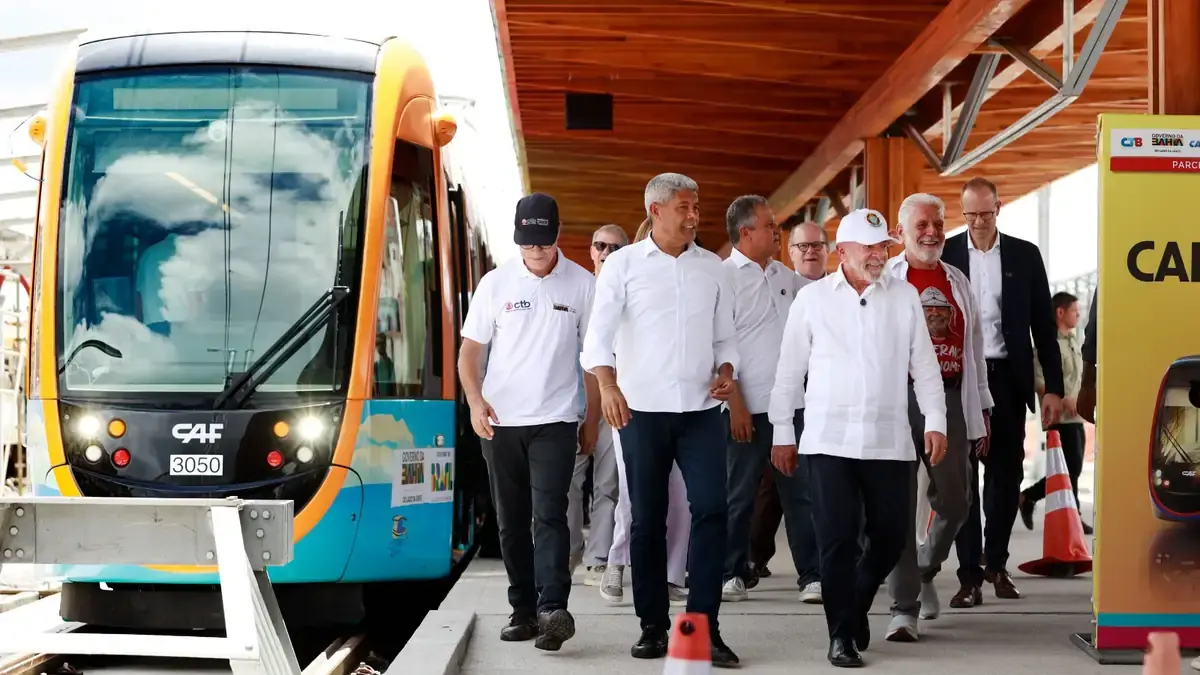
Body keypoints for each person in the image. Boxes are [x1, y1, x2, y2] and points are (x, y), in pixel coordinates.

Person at [769, 207, 947, 668]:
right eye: (868, 248)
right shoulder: (812, 301)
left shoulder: (905, 295)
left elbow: (925, 365)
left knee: (889, 538)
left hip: (889, 441)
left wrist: (936, 420)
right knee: (836, 542)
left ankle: (855, 602)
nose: (878, 255)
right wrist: (783, 432)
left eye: (883, 247)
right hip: (829, 443)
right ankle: (840, 636)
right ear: (842, 251)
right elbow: (789, 372)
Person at [581, 173, 740, 666]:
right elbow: (597, 340)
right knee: (646, 518)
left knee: (713, 510)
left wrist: (728, 374)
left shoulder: (713, 267)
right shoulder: (623, 266)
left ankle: (699, 627)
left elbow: (726, 342)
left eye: (696, 207)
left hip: (701, 412)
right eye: (684, 207)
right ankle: (652, 626)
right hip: (640, 412)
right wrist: (608, 386)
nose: (694, 215)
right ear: (655, 210)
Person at [457, 193, 599, 652]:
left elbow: (596, 360)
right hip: (500, 423)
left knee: (550, 515)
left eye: (542, 240)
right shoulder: (495, 284)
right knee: (511, 522)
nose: (535, 250)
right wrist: (476, 402)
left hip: (556, 420)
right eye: (527, 242)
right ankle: (522, 610)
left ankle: (553, 608)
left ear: (557, 235)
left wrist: (591, 419)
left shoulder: (582, 284)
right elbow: (470, 353)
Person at [940, 177, 1064, 606]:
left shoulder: (1025, 255)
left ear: (999, 208)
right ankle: (969, 574)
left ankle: (997, 564)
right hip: (958, 379)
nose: (977, 222)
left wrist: (1053, 387)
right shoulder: (946, 254)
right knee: (962, 479)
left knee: (1005, 477)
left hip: (1008, 379)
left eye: (985, 213)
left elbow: (1044, 328)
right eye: (969, 214)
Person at [882, 193, 993, 642]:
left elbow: (975, 348)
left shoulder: (957, 281)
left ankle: (925, 568)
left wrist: (981, 406)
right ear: (900, 232)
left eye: (938, 223)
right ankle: (902, 606)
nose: (932, 232)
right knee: (898, 503)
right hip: (896, 399)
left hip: (948, 399)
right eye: (922, 225)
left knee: (957, 500)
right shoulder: (886, 280)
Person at [718, 196, 821, 606]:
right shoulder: (721, 278)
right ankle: (731, 572)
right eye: (769, 226)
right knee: (738, 495)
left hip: (791, 408)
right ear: (746, 232)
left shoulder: (785, 276)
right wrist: (736, 403)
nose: (776, 232)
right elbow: (717, 347)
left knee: (801, 495)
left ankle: (812, 576)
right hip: (743, 408)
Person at [599, 217, 692, 607]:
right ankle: (617, 562)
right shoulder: (622, 282)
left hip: (684, 406)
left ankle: (672, 573)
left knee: (681, 496)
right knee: (635, 493)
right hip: (633, 407)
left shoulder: (690, 284)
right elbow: (600, 345)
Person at [748, 220, 829, 588]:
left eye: (817, 245)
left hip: (829, 400)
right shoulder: (785, 288)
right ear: (791, 252)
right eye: (802, 247)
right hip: (786, 401)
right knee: (774, 484)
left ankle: (827, 564)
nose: (810, 251)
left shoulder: (842, 287)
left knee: (823, 485)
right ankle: (753, 556)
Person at [570, 224, 629, 586]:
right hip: (571, 405)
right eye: (600, 245)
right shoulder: (577, 289)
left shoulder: (631, 290)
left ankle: (598, 559)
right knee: (567, 486)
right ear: (591, 250)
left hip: (616, 405)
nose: (606, 251)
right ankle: (567, 555)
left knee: (608, 486)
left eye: (614, 246)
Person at [1020, 291, 1092, 534]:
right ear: (1060, 312)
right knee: (1067, 469)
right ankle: (1031, 497)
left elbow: (1079, 376)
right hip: (1058, 417)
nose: (1079, 315)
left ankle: (1065, 510)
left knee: (1074, 468)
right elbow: (1039, 381)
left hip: (1076, 415)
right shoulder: (1047, 346)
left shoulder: (1073, 340)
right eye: (1074, 310)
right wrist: (1061, 398)